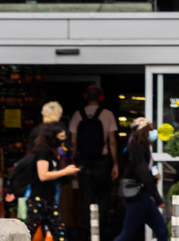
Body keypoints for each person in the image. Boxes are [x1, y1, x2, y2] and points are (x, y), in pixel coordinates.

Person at [69, 85, 118, 238]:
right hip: (102, 162)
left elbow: (74, 143)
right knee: (103, 195)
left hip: (84, 162)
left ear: (86, 97)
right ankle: (100, 227)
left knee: (86, 196)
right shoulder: (108, 114)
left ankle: (89, 229)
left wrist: (72, 162)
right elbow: (112, 142)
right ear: (101, 97)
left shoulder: (78, 115)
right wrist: (115, 163)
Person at [114, 118, 167, 241]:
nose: (154, 132)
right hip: (137, 195)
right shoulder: (138, 148)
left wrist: (155, 174)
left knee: (162, 231)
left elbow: (150, 166)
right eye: (151, 129)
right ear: (144, 131)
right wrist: (158, 198)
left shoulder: (145, 147)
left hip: (144, 196)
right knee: (127, 234)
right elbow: (143, 174)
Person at [26, 123, 80, 241]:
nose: (63, 141)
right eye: (60, 137)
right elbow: (43, 175)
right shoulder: (43, 153)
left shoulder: (53, 154)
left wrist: (68, 172)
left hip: (49, 199)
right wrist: (65, 172)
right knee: (28, 232)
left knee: (59, 232)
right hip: (38, 199)